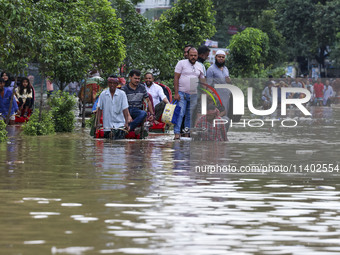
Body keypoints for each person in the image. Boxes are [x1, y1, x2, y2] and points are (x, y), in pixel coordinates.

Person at [173, 47, 205, 140]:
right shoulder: (181, 63)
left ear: (197, 55)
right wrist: (176, 93)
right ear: (188, 55)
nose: (193, 57)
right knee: (180, 113)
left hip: (194, 94)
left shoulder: (200, 66)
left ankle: (187, 134)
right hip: (182, 93)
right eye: (191, 55)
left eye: (195, 55)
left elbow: (202, 80)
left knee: (190, 115)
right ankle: (177, 133)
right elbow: (176, 78)